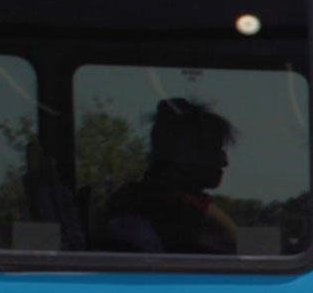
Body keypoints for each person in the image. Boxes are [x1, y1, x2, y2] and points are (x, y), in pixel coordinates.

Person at [101, 98, 240, 255]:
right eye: (216, 150)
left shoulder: (134, 200)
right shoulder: (183, 212)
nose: (224, 162)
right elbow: (239, 250)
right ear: (186, 154)